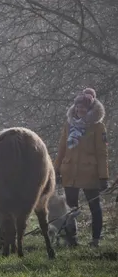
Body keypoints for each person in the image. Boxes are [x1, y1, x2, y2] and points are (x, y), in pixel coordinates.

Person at [53, 88, 109, 247]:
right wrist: (56, 170)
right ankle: (72, 239)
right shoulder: (68, 125)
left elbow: (102, 153)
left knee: (95, 207)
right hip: (69, 172)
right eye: (78, 107)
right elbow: (62, 149)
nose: (80, 110)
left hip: (90, 173)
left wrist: (103, 176)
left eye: (83, 107)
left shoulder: (98, 127)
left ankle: (95, 240)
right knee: (70, 209)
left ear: (90, 108)